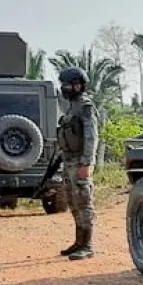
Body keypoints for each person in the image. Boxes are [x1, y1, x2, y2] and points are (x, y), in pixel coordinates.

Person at [56, 66, 99, 260]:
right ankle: (78, 242)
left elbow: (91, 137)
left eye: (67, 85)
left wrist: (86, 164)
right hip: (69, 161)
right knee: (73, 202)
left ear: (77, 85)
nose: (64, 88)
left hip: (80, 162)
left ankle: (87, 245)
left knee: (84, 202)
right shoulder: (72, 106)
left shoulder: (85, 106)